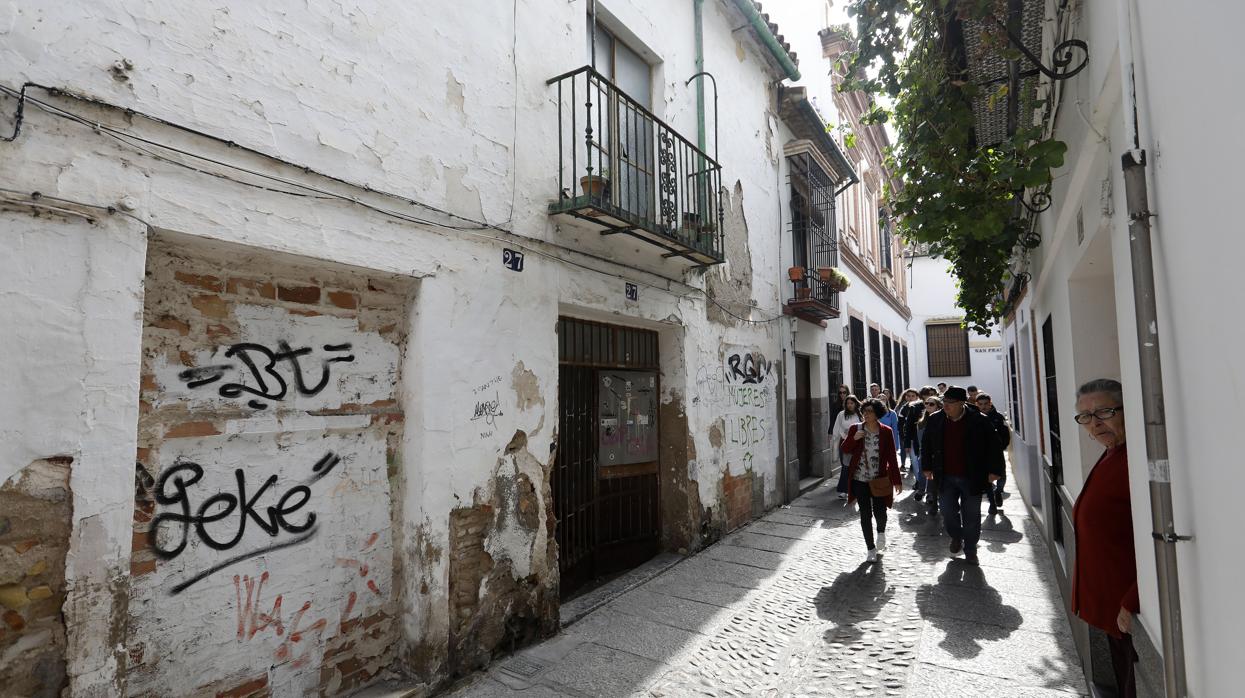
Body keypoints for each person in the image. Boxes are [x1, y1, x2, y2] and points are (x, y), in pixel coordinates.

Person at [1070, 379, 1139, 697]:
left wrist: (1133, 599)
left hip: (1130, 611)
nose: (1095, 423)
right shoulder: (1113, 452)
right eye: (1085, 416)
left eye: (1105, 411)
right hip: (1113, 608)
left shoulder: (1137, 460)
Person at [920, 386, 1004, 565]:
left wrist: (995, 471)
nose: (945, 406)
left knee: (972, 515)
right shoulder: (936, 419)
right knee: (948, 511)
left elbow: (994, 446)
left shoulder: (979, 420)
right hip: (945, 476)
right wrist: (926, 467)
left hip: (972, 476)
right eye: (944, 402)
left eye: (949, 403)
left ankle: (971, 549)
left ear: (961, 403)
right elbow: (926, 444)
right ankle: (956, 536)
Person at [839, 398, 903, 563]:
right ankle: (870, 549)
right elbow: (844, 449)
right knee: (865, 514)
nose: (866, 414)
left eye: (870, 412)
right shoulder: (856, 429)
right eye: (864, 411)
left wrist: (897, 480)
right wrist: (854, 439)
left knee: (880, 512)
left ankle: (881, 532)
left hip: (879, 479)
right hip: (859, 479)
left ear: (877, 414)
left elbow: (891, 458)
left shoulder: (886, 431)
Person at [975, 392, 1011, 514]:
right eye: (981, 404)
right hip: (982, 455)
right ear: (976, 404)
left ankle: (998, 491)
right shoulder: (974, 418)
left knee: (1001, 476)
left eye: (986, 404)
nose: (984, 406)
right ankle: (992, 504)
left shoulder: (998, 417)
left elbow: (1006, 434)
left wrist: (1001, 447)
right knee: (987, 480)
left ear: (990, 404)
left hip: (997, 453)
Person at [831, 395, 863, 500]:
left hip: (857, 444)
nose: (849, 405)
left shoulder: (860, 414)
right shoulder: (841, 414)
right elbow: (837, 428)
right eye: (848, 403)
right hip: (844, 443)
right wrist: (836, 442)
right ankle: (844, 490)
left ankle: (855, 490)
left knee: (856, 467)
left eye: (851, 403)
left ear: (855, 403)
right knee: (845, 466)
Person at [912, 394, 941, 502]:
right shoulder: (921, 422)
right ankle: (921, 490)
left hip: (936, 452)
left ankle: (930, 494)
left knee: (932, 474)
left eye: (932, 404)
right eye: (926, 403)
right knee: (922, 472)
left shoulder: (941, 420)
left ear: (937, 407)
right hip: (923, 451)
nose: (928, 405)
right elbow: (919, 440)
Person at [896, 389, 921, 473]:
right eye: (908, 396)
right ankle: (918, 481)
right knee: (914, 459)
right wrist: (903, 437)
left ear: (917, 397)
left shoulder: (922, 406)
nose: (910, 398)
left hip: (920, 437)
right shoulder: (903, 408)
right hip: (910, 438)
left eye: (913, 396)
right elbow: (900, 425)